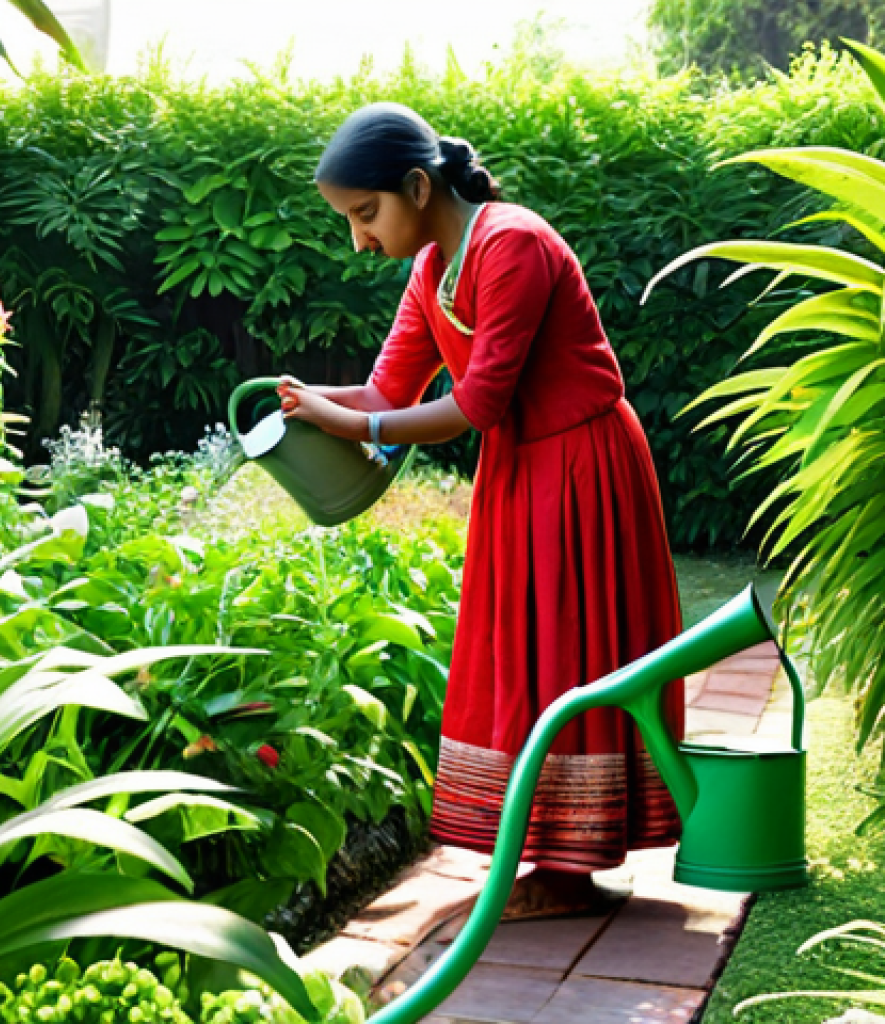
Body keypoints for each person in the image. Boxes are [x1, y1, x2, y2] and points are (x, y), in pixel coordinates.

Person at [277, 102, 684, 918]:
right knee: (523, 656)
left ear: (418, 186)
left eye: (366, 214)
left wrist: (355, 424)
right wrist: (309, 401)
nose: (358, 238)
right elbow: (391, 390)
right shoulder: (433, 269)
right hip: (520, 476)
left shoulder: (512, 246)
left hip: (581, 465)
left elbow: (478, 402)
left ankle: (570, 871)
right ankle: (542, 855)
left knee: (572, 652)